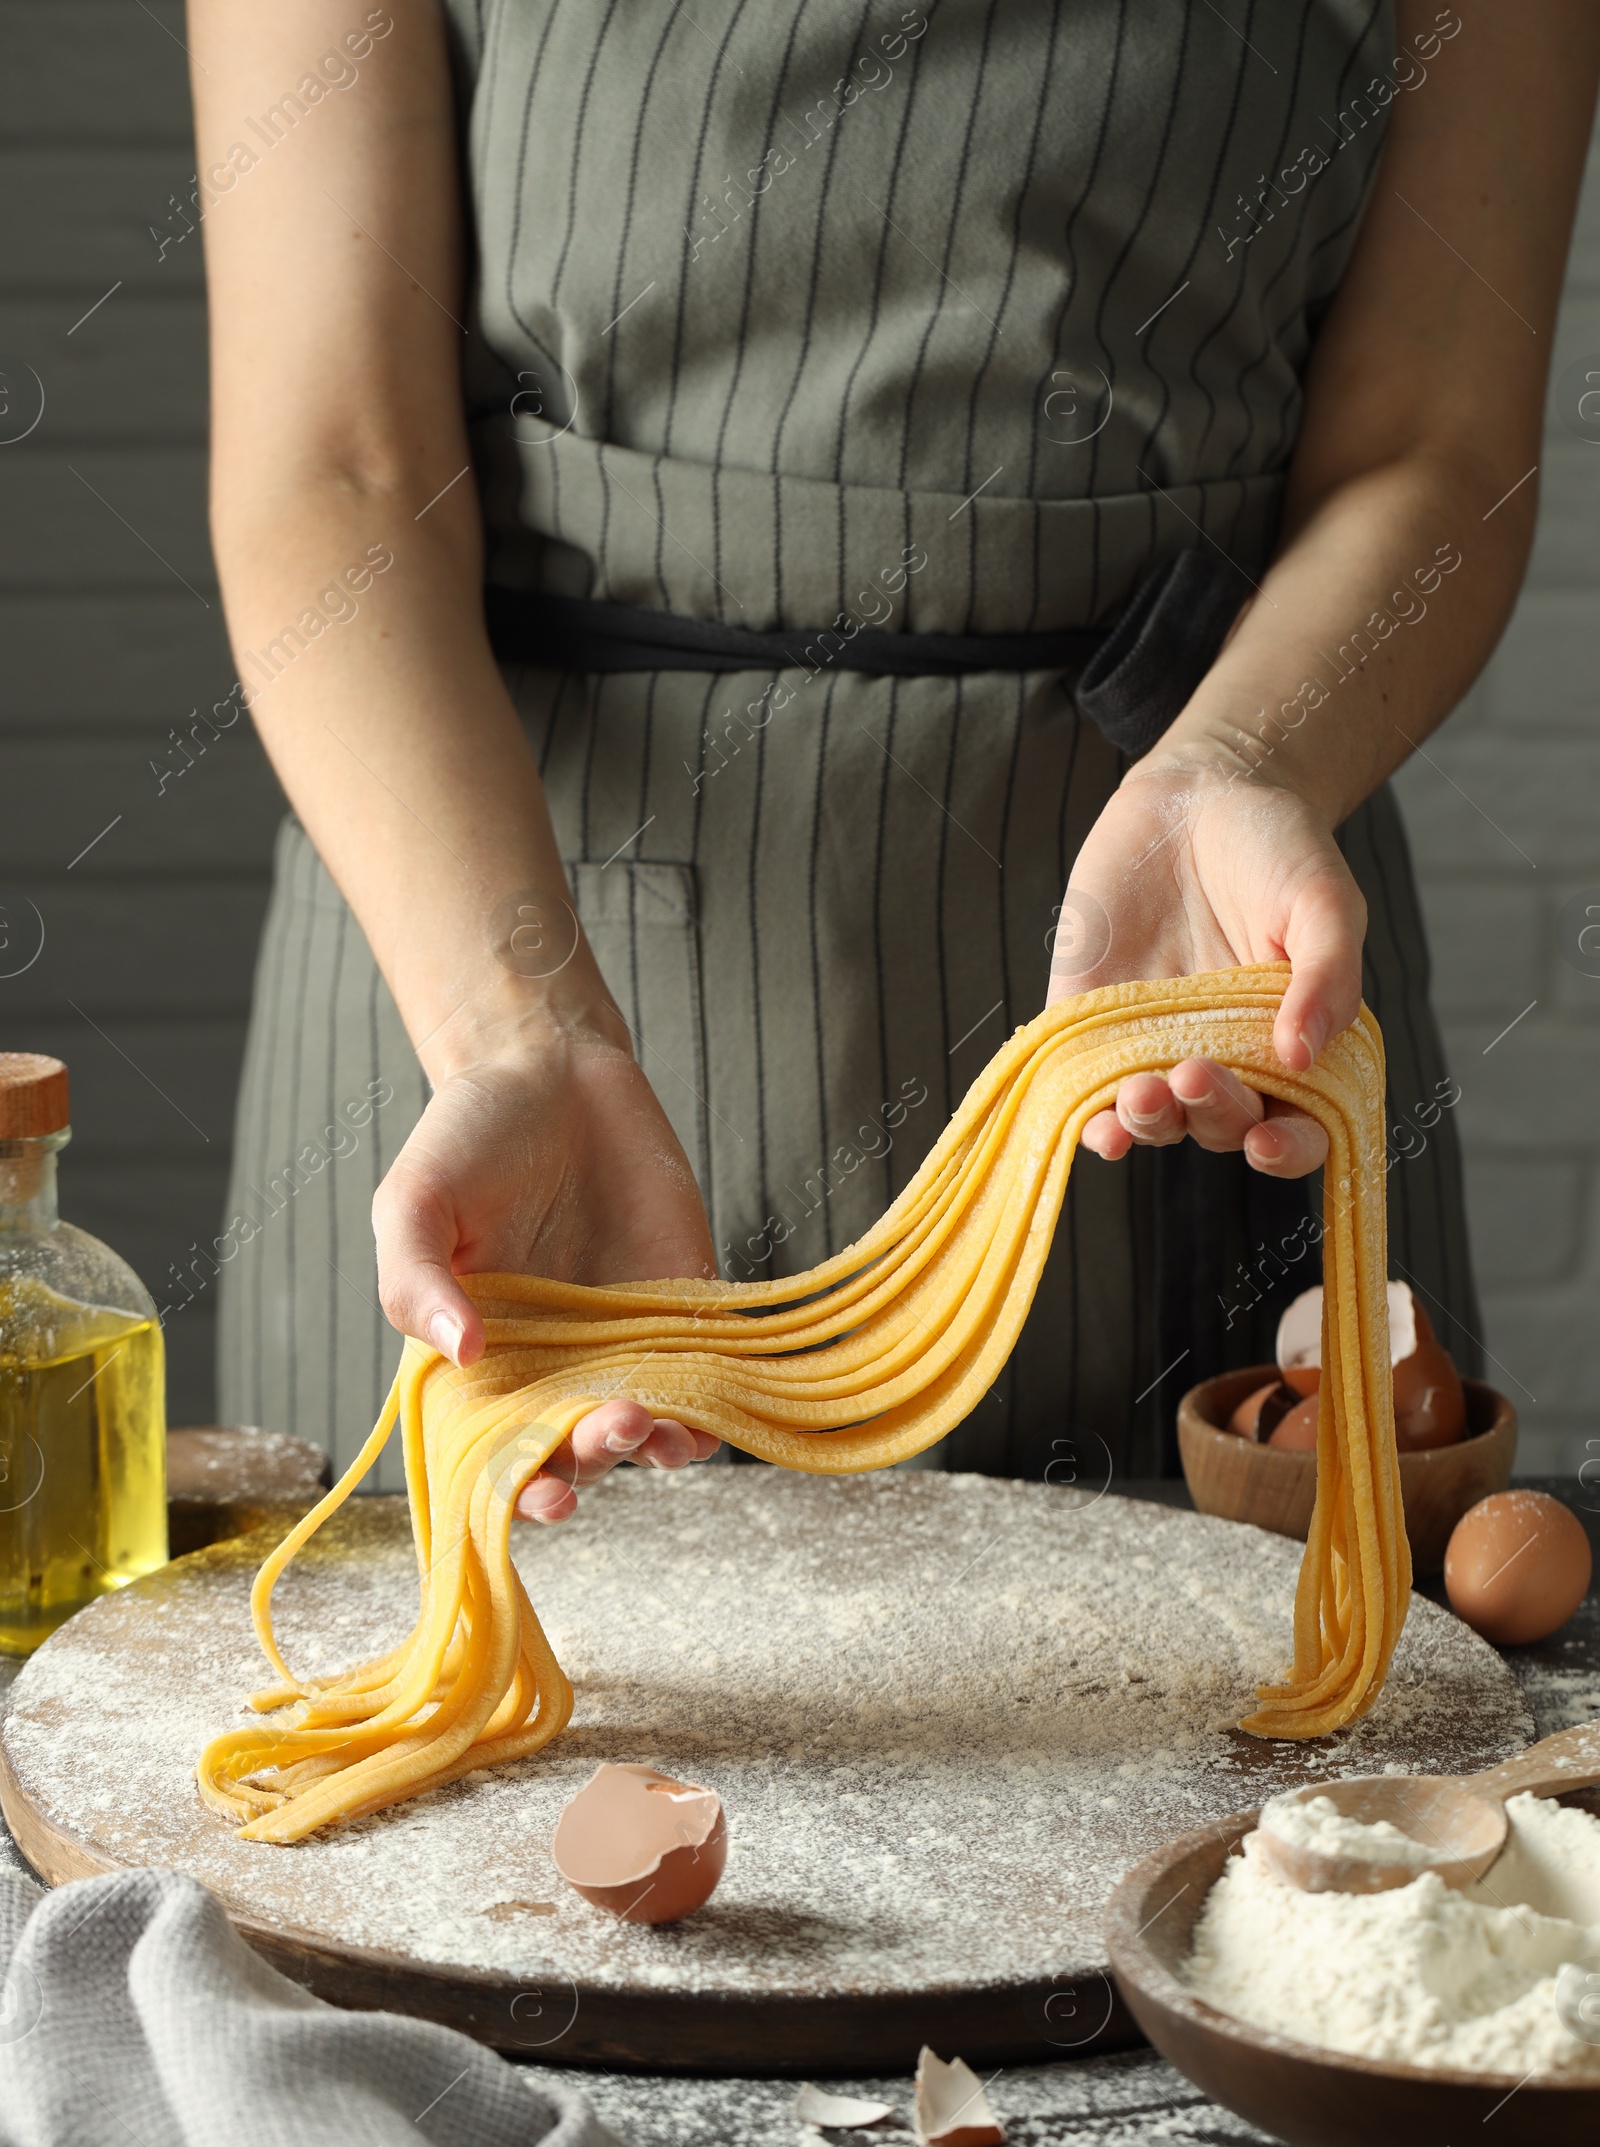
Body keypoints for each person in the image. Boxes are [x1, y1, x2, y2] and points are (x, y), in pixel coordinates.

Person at [193, 0, 1598, 1518]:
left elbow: (1435, 442)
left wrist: (1243, 760)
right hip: (489, 958)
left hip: (1197, 979)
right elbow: (332, 464)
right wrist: (514, 1029)